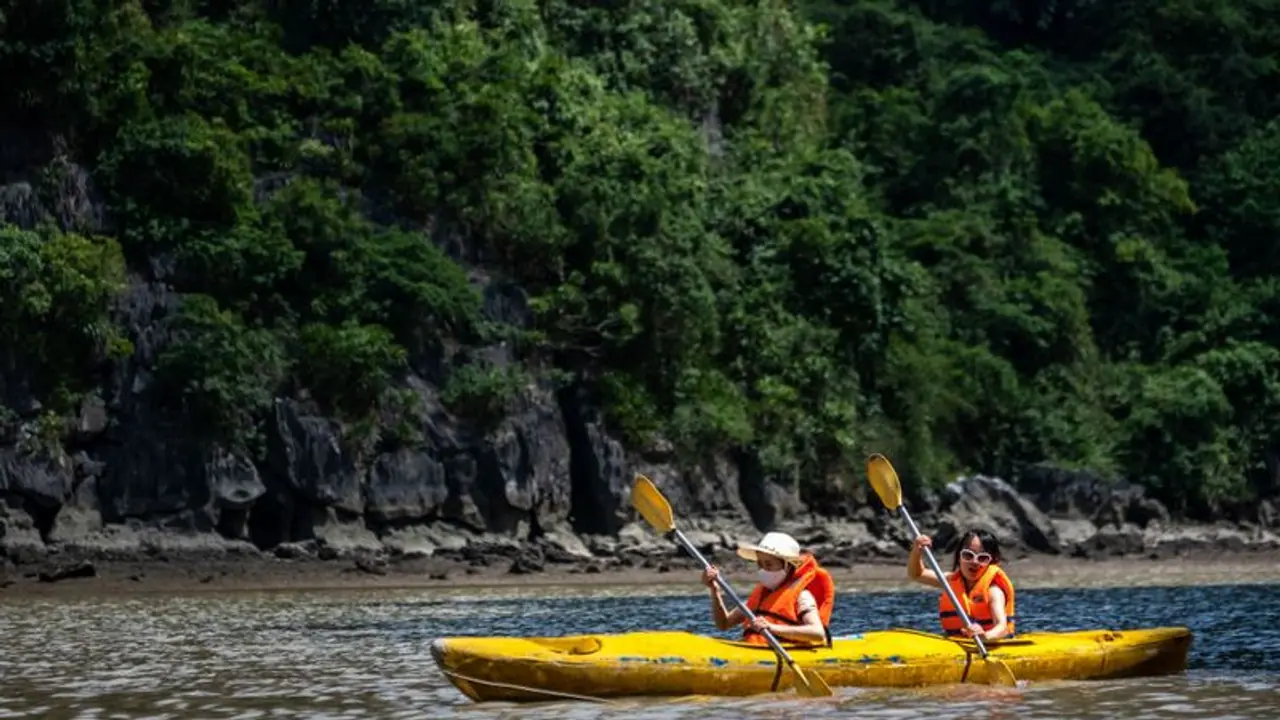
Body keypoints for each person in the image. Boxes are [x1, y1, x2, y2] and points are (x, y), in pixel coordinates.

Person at [701, 531, 834, 647]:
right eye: (760, 564)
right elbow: (723, 623)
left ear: (787, 566)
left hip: (787, 653)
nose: (763, 569)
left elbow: (817, 633)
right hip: (755, 651)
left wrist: (772, 628)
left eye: (769, 564)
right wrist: (715, 591)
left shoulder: (802, 596)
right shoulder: (760, 596)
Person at [907, 528, 1016, 642]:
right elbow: (917, 574)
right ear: (959, 557)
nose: (974, 562)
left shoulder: (994, 591)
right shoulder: (950, 581)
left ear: (992, 561)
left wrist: (985, 636)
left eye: (982, 558)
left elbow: (1002, 627)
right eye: (968, 555)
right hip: (958, 642)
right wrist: (916, 550)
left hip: (988, 644)